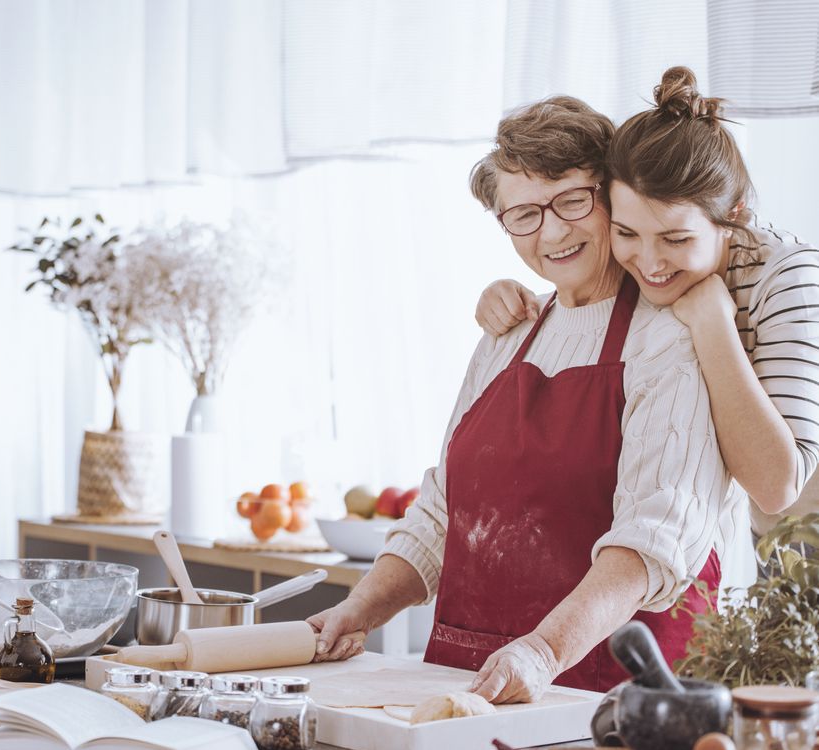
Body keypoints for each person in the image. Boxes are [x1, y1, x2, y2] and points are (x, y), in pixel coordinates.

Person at [307, 95, 730, 702]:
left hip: (605, 694)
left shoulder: (669, 339)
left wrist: (542, 651)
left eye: (573, 200)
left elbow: (653, 541)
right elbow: (443, 513)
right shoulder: (507, 333)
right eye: (525, 214)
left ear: (613, 195)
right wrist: (360, 610)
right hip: (469, 681)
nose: (552, 232)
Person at [475, 67, 819, 548]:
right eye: (627, 233)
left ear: (733, 216)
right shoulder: (654, 275)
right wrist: (505, 294)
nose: (650, 263)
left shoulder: (789, 277)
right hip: (766, 545)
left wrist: (712, 321)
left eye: (675, 239)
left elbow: (776, 486)